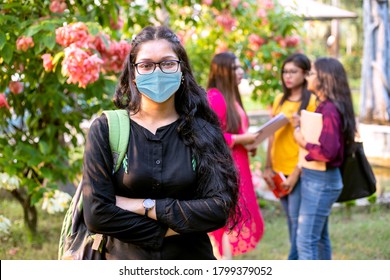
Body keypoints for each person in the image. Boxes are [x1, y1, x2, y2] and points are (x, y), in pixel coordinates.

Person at [81, 25, 241, 260]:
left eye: (167, 63)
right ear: (133, 74)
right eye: (146, 65)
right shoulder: (106, 128)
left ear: (181, 70)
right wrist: (178, 224)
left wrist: (144, 206)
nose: (157, 72)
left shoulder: (203, 130)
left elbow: (217, 210)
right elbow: (97, 215)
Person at [293, 57, 356, 259]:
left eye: (311, 73)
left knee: (305, 241)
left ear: (324, 78)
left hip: (321, 181)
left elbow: (328, 151)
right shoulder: (329, 106)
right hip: (321, 180)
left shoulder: (330, 109)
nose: (307, 77)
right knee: (318, 239)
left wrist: (302, 142)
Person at [206, 52, 264, 259]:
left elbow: (235, 131)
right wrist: (241, 140)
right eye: (235, 68)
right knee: (225, 223)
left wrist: (250, 143)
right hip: (225, 169)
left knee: (234, 220)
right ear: (223, 71)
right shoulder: (215, 97)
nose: (240, 72)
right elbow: (211, 137)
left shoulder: (231, 97)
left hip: (239, 164)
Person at [263, 53, 317, 260]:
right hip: (279, 169)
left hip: (299, 171)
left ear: (304, 74)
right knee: (290, 220)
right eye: (285, 71)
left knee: (298, 222)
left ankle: (292, 263)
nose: (288, 76)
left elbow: (311, 143)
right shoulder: (279, 100)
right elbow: (272, 136)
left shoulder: (311, 101)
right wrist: (268, 167)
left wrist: (296, 173)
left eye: (293, 71)